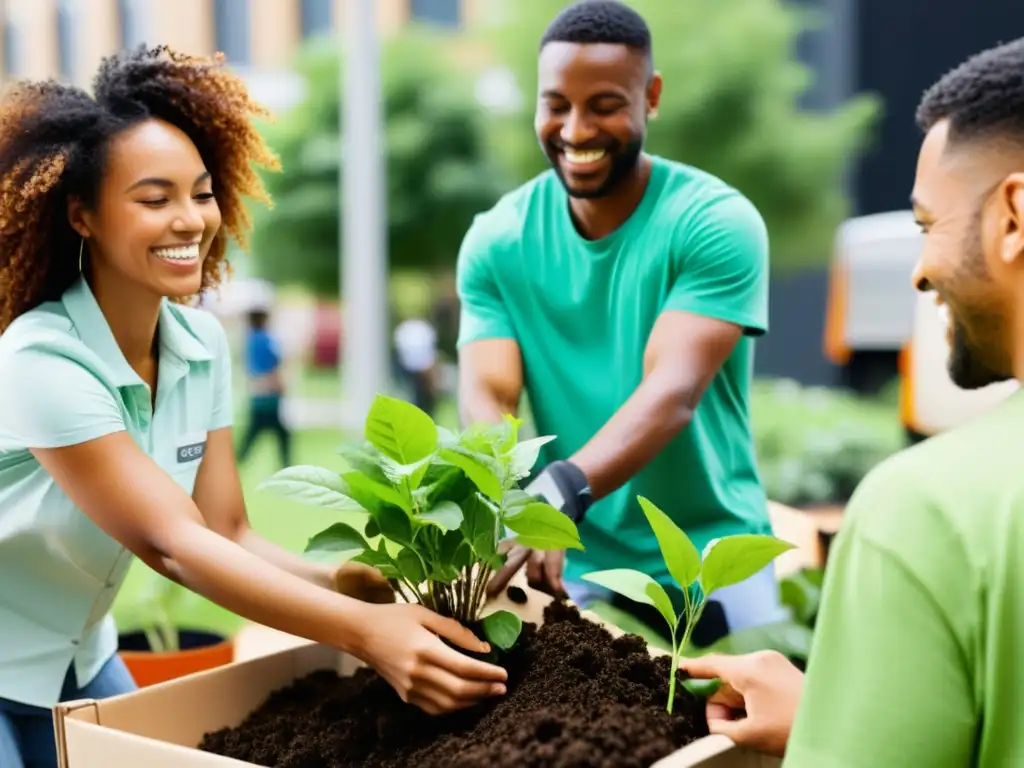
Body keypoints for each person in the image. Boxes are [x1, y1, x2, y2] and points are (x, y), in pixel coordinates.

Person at [0, 45, 507, 768]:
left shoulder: (201, 343)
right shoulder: (41, 358)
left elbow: (226, 528)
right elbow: (175, 544)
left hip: (77, 659)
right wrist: (364, 634)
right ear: (81, 214)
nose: (190, 221)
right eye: (154, 199)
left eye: (201, 193)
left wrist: (342, 585)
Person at [681, 37, 1024, 766]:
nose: (920, 271)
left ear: (1015, 215)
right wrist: (842, 715)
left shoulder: (929, 510)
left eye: (928, 226)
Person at [459, 0, 786, 644]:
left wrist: (559, 493)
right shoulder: (497, 241)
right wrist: (518, 500)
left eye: (604, 104)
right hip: (579, 565)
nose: (576, 128)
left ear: (651, 96)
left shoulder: (714, 222)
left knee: (746, 738)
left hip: (711, 557)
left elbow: (672, 392)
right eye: (556, 104)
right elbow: (489, 393)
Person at [237, 306, 292, 468]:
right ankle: (285, 464)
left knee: (258, 430)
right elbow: (272, 364)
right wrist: (279, 384)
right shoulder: (265, 340)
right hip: (268, 390)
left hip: (257, 390)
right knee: (273, 431)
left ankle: (238, 459)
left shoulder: (250, 340)